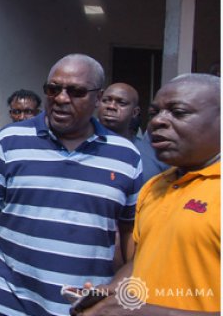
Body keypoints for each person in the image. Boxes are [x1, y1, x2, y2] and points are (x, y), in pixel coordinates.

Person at [0, 54, 143, 316]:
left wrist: (124, 293)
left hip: (89, 308)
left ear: (98, 97)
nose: (61, 98)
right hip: (12, 304)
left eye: (76, 91)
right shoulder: (9, 141)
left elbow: (131, 231)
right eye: (53, 89)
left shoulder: (126, 156)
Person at [82, 73, 220, 315]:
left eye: (178, 112)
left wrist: (147, 313)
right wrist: (111, 293)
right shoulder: (155, 186)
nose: (157, 122)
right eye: (155, 113)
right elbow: (142, 260)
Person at [98, 82, 169, 184]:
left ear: (135, 112)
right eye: (106, 101)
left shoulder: (154, 155)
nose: (111, 106)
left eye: (121, 103)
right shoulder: (80, 146)